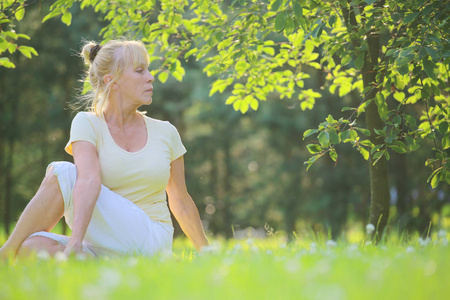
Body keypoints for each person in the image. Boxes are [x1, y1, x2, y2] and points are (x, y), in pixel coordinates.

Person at [0, 39, 209, 259]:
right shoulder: (88, 123)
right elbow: (88, 180)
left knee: (62, 172)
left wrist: (207, 252)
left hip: (150, 239)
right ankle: (101, 272)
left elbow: (180, 200)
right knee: (33, 248)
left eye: (148, 69)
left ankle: (4, 255)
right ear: (113, 81)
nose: (150, 76)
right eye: (140, 71)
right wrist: (76, 242)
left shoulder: (166, 132)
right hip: (104, 244)